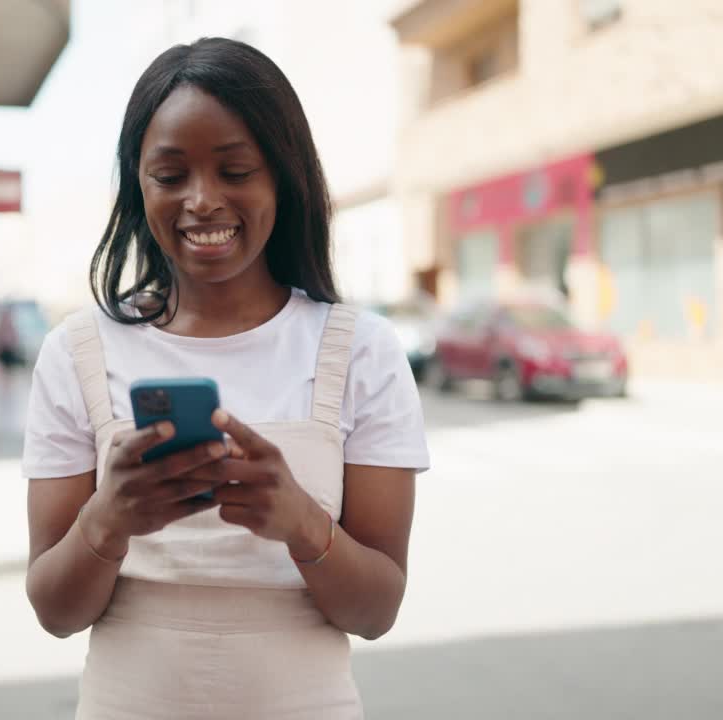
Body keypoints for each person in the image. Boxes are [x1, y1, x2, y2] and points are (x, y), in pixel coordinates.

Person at [23, 37, 429, 720]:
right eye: (170, 174)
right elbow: (56, 613)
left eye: (236, 170)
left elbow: (377, 610)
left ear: (283, 176)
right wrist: (108, 518)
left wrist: (303, 523)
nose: (202, 201)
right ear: (138, 182)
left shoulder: (361, 350)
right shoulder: (77, 353)